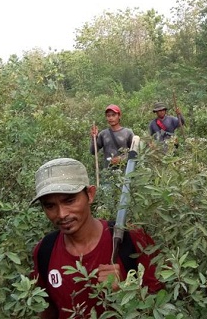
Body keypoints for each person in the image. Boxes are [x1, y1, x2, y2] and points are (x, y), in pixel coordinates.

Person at [30, 158, 163, 319]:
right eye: (50, 206)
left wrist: (127, 291)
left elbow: (161, 305)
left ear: (90, 194)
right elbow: (47, 310)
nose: (62, 214)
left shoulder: (132, 239)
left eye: (69, 201)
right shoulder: (45, 251)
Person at [90, 104, 134, 169]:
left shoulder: (128, 133)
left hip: (124, 172)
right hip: (108, 172)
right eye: (108, 116)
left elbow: (134, 153)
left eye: (113, 115)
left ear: (119, 116)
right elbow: (93, 152)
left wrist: (121, 158)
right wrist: (94, 138)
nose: (111, 118)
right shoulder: (103, 134)